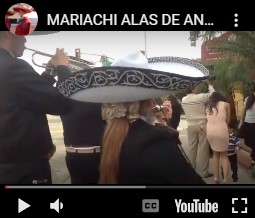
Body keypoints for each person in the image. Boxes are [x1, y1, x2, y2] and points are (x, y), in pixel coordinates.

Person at [57, 51, 207, 184]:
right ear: (148, 101)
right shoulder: (156, 140)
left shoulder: (111, 136)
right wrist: (165, 130)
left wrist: (162, 124)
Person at [0, 31, 72, 184]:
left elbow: (31, 96)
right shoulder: (13, 66)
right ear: (8, 34)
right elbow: (62, 104)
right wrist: (63, 68)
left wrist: (48, 73)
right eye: (22, 35)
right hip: (23, 166)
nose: (25, 40)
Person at [55, 66, 106, 184]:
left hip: (73, 156)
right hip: (95, 155)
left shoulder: (64, 100)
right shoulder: (96, 99)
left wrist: (60, 68)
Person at [181, 80, 215, 178]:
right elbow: (213, 94)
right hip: (202, 125)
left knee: (192, 149)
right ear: (193, 89)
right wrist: (209, 84)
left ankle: (191, 171)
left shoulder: (183, 99)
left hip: (190, 126)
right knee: (203, 149)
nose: (197, 89)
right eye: (196, 87)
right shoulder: (200, 97)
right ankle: (204, 172)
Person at [206, 92, 231, 183]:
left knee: (215, 155)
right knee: (224, 155)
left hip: (210, 131)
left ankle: (216, 177)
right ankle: (225, 178)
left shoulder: (208, 106)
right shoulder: (226, 105)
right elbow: (228, 120)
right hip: (221, 131)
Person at [238, 86, 255, 166]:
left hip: (254, 125)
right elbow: (243, 111)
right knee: (246, 141)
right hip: (247, 123)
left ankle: (253, 159)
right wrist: (241, 121)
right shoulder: (248, 99)